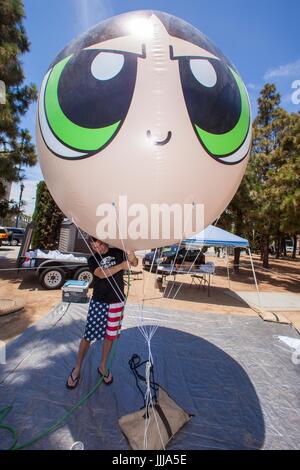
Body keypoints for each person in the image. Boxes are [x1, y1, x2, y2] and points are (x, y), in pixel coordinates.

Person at [66, 238, 138, 389]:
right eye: (94, 246)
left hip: (117, 301)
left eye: (100, 244)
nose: (98, 248)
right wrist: (121, 266)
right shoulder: (92, 259)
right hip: (99, 301)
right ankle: (77, 368)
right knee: (88, 336)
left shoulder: (118, 252)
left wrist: (131, 255)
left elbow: (135, 263)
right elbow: (101, 274)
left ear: (105, 241)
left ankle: (103, 367)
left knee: (110, 336)